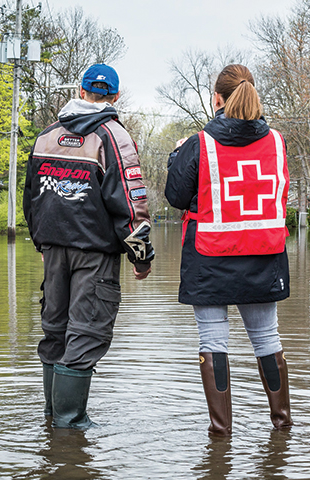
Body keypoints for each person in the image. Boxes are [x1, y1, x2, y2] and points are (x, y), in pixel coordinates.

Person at [164, 64, 294, 436]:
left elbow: (176, 197)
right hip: (263, 256)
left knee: (212, 340)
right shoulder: (277, 141)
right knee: (268, 338)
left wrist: (176, 158)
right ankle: (282, 428)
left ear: (216, 99)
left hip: (211, 255)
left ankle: (220, 435)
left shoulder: (200, 143)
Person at [24, 63, 155, 429]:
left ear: (81, 92)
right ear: (114, 96)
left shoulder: (46, 136)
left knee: (55, 331)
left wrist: (44, 243)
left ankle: (52, 425)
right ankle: (70, 427)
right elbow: (132, 205)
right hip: (95, 254)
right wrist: (141, 258)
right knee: (86, 333)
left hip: (52, 250)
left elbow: (30, 198)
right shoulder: (114, 137)